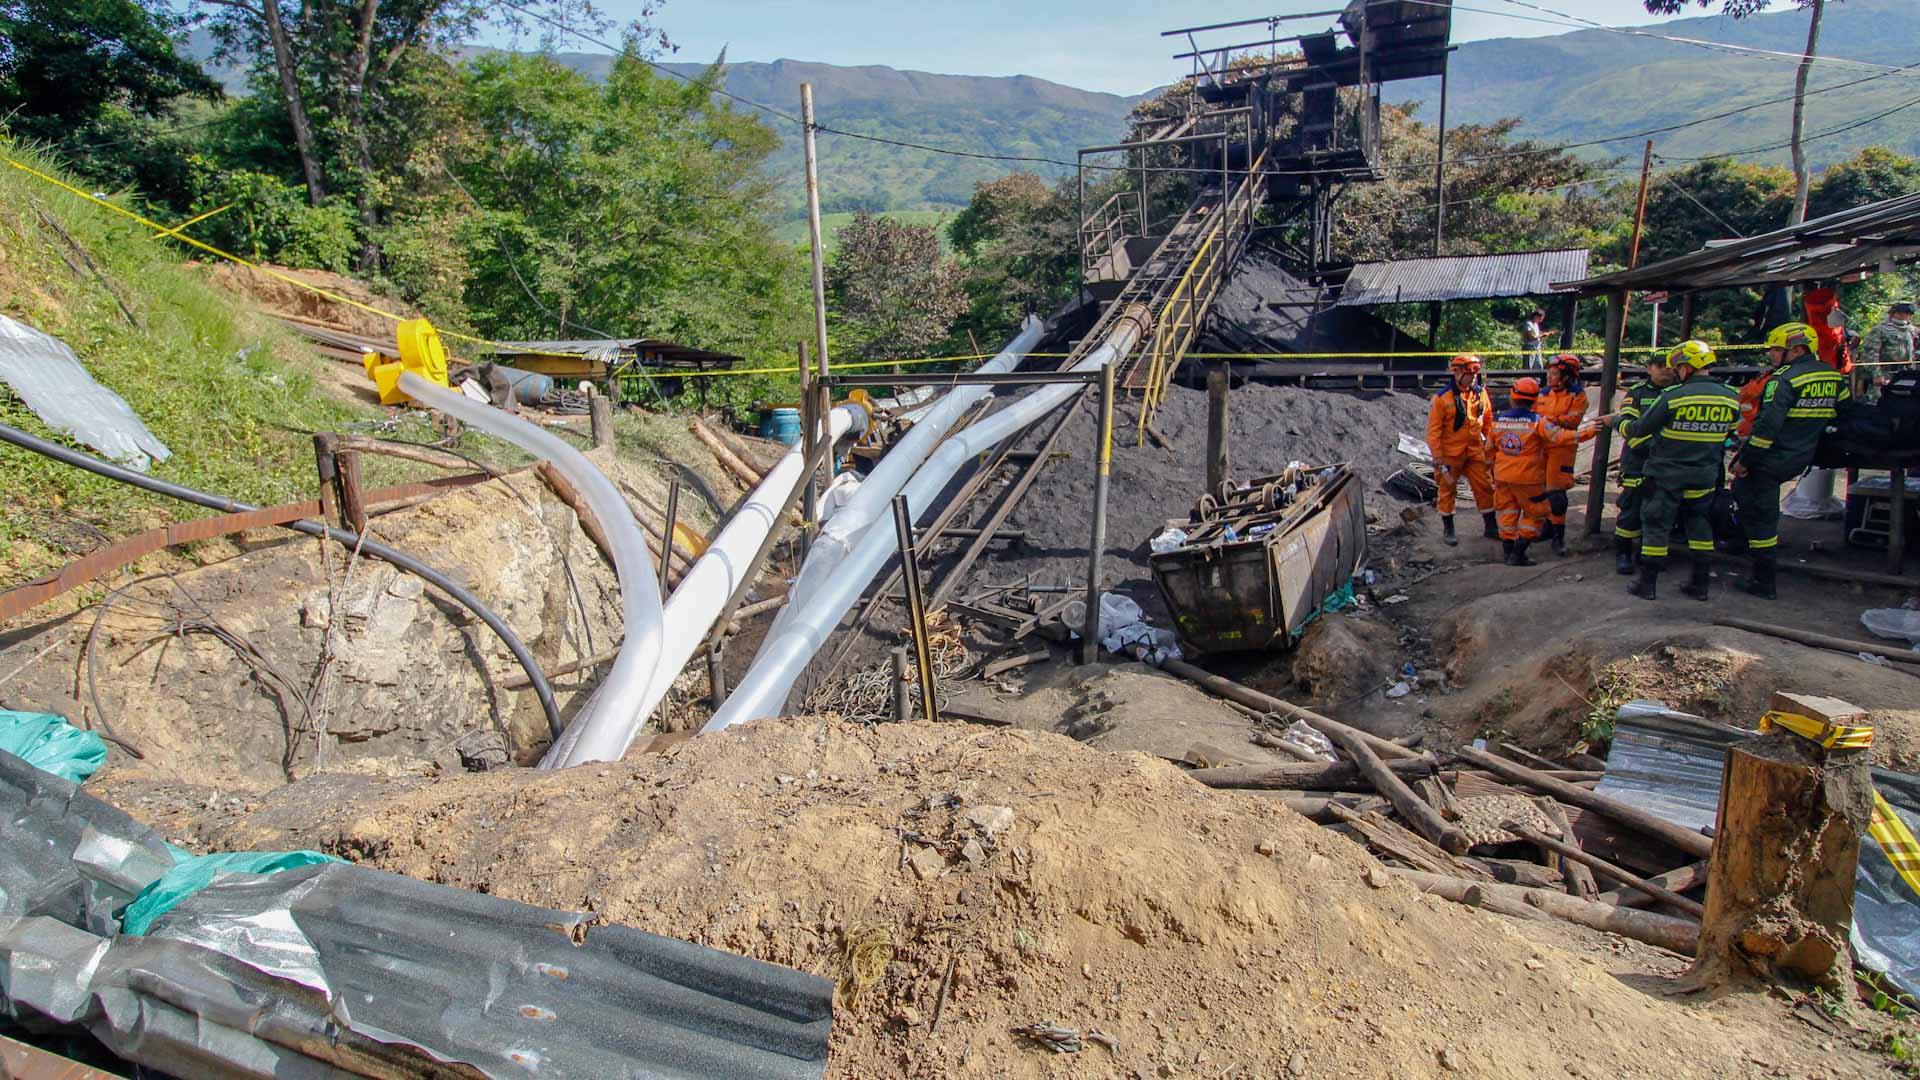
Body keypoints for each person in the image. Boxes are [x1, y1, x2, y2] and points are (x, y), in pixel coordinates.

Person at [1729, 322, 1851, 599]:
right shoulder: (1832, 376)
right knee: (1747, 499)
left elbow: (1767, 428)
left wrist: (1745, 461)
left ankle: (1763, 580)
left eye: (1776, 349)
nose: (1771, 354)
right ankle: (1749, 552)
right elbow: (1845, 412)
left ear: (1796, 350)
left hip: (1773, 457)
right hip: (1803, 454)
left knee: (1760, 514)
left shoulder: (1784, 380)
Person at [1620, 340, 1740, 601]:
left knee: (1656, 524)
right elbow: (1733, 435)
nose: (1675, 372)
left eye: (1678, 367)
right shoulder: (1731, 396)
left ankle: (1647, 584)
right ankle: (1700, 585)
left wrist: (1617, 422)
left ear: (1687, 366)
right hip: (1704, 475)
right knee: (1699, 524)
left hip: (1666, 474)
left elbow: (1640, 429)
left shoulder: (1673, 396)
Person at [1589, 349, 1681, 575]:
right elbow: (1631, 429)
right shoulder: (1638, 393)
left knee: (1660, 511)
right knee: (1631, 508)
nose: (1666, 370)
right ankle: (1623, 554)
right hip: (1638, 462)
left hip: (1667, 464)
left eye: (1670, 366)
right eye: (1661, 366)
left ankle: (1649, 555)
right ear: (1649, 368)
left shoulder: (1680, 393)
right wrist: (1662, 443)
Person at [1490, 377, 1581, 566]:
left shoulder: (1497, 421)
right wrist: (1591, 431)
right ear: (1534, 401)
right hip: (1528, 479)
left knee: (1507, 512)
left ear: (1512, 397)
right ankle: (1518, 552)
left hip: (1503, 477)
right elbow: (1562, 437)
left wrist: (1492, 472)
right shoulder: (1538, 422)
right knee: (1537, 513)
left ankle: (1507, 552)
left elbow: (1488, 451)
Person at [1426, 354, 1498, 546]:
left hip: (1475, 451)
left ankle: (1491, 527)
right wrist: (1438, 456)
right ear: (1457, 373)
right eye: (1468, 374)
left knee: (1485, 486)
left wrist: (1492, 447)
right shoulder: (1442, 399)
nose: (1472, 378)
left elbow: (1488, 422)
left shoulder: (1480, 394)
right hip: (1450, 454)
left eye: (1474, 375)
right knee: (1447, 489)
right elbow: (1434, 431)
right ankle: (1448, 530)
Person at [1536, 354, 1588, 555]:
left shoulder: (1577, 396)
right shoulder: (1542, 394)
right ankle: (1547, 529)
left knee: (1556, 493)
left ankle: (1559, 537)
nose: (1550, 377)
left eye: (1555, 373)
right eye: (1550, 373)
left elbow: (1572, 421)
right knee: (1540, 490)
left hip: (1562, 449)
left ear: (1567, 376)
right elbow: (1534, 417)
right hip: (1541, 447)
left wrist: (1546, 420)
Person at [1857, 301, 1916, 395]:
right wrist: (1876, 374)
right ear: (1893, 313)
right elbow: (1869, 354)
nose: (1904, 315)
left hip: (1906, 374)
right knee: (1880, 404)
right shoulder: (1880, 330)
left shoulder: (1912, 331)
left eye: (1908, 313)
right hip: (1884, 375)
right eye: (1900, 313)